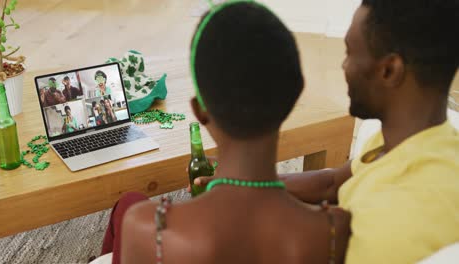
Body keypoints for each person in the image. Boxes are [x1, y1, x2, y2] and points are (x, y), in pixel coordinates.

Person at [193, 1, 459, 263]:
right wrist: (245, 183)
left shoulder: (394, 223)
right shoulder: (416, 139)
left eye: (350, 53)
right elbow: (331, 183)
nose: (343, 66)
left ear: (389, 70)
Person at [100, 2, 351, 264]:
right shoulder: (335, 231)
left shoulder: (147, 228)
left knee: (129, 202)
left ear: (199, 110)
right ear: (294, 97)